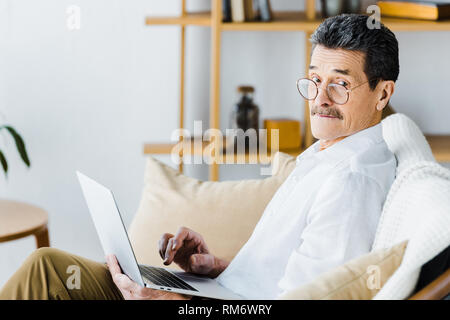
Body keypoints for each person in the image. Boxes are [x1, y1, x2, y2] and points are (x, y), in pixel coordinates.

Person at [0, 13, 399, 300]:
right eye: (314, 80)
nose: (320, 99)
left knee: (47, 272)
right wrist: (215, 267)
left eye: (340, 84)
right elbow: (278, 281)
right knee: (48, 267)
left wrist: (171, 304)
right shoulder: (330, 153)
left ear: (383, 93)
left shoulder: (352, 182)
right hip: (215, 293)